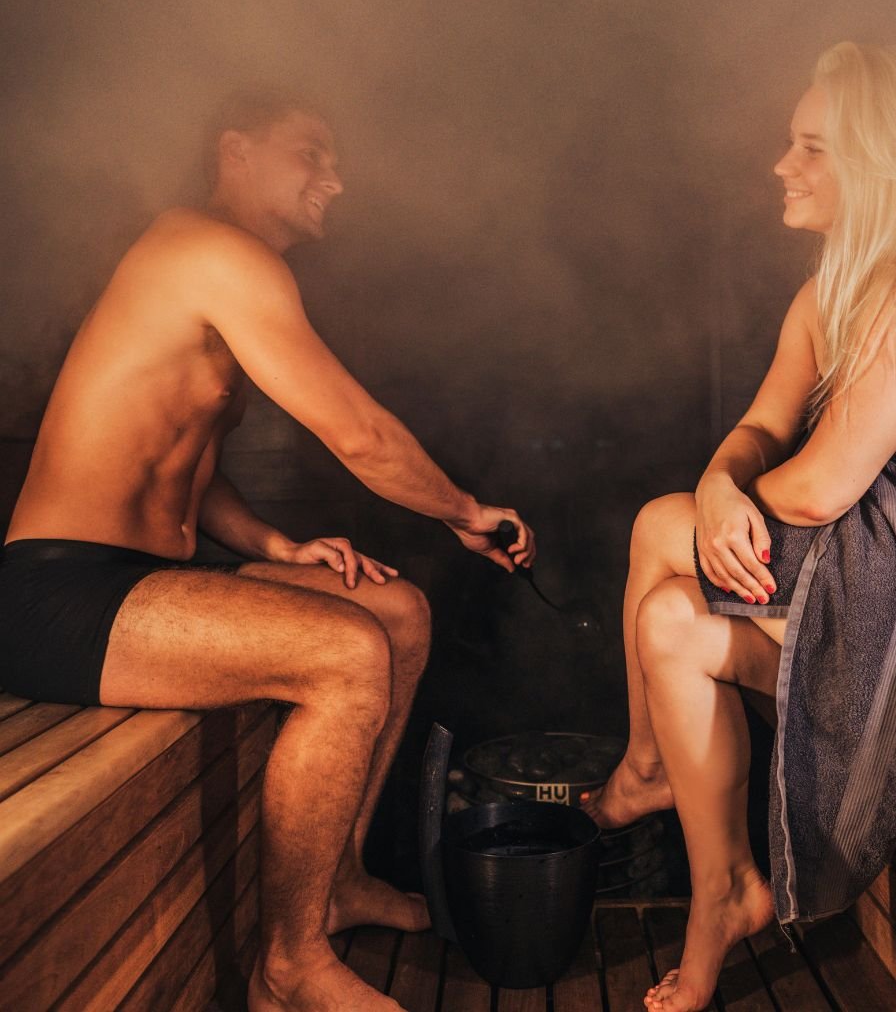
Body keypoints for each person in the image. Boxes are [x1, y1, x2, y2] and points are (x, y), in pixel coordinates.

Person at [0, 88, 535, 1012]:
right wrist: (462, 512)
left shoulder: (206, 263)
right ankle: (288, 967)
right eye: (312, 154)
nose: (338, 179)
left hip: (148, 580)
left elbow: (190, 473)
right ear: (236, 151)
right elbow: (359, 435)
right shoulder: (209, 250)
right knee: (344, 653)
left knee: (397, 613)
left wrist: (278, 543)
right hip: (58, 593)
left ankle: (339, 883)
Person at [581, 42, 896, 1011]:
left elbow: (817, 489)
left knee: (658, 529)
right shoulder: (826, 294)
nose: (782, 165)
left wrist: (728, 499)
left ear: (881, 164)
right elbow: (763, 429)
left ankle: (645, 769)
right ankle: (723, 890)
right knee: (669, 625)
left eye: (812, 147)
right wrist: (723, 480)